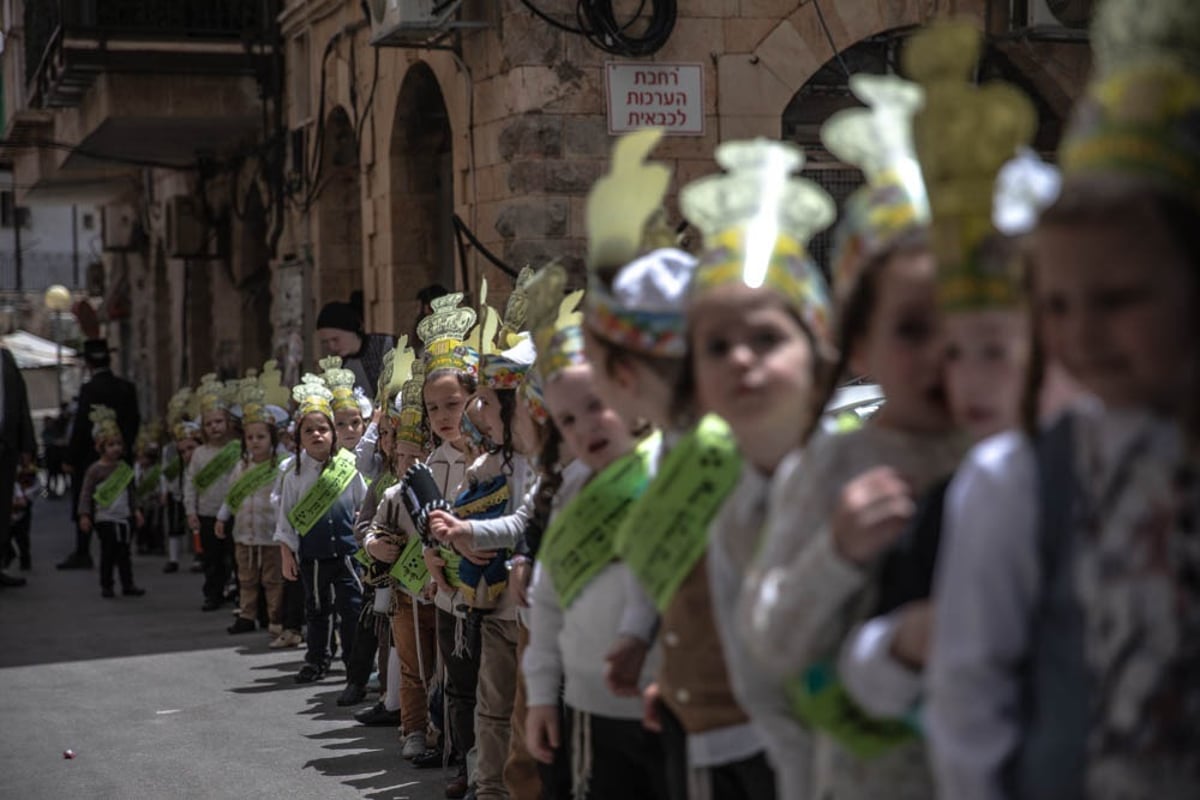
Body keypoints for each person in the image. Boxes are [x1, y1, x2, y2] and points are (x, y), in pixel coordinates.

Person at [928, 2, 1200, 796]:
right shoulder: (1017, 484)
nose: (1082, 333)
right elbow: (969, 704)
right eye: (1056, 304)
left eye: (1118, 300)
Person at [519, 270, 667, 800]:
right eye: (567, 421)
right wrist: (540, 695)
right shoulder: (572, 491)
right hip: (588, 708)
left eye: (597, 405)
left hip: (670, 704)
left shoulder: (668, 473)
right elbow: (547, 600)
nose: (586, 428)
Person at [275, 375, 367, 684]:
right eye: (309, 430)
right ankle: (316, 660)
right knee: (317, 610)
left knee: (352, 609)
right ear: (299, 437)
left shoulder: (348, 467)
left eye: (323, 429)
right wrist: (287, 554)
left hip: (346, 553)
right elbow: (285, 518)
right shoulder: (293, 476)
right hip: (313, 557)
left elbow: (364, 505)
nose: (317, 435)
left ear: (333, 433)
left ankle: (356, 665)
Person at [60, 338, 140, 570]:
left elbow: (82, 428)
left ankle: (83, 550)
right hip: (122, 456)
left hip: (91, 459)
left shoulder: (89, 389)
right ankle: (122, 547)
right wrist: (124, 449)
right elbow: (134, 421)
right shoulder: (126, 387)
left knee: (86, 498)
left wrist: (70, 458)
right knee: (122, 500)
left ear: (87, 363)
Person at [216, 380, 288, 636]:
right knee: (246, 578)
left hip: (270, 535)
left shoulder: (280, 466)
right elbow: (231, 495)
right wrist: (222, 518)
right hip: (244, 535)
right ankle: (246, 615)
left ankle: (274, 618)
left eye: (261, 437)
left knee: (272, 580)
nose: (255, 442)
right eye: (250, 438)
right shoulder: (242, 467)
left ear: (272, 437)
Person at [184, 375, 241, 612]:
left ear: (228, 423)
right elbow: (190, 483)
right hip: (207, 511)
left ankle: (239, 591)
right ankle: (213, 593)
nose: (214, 427)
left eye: (219, 421)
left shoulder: (237, 449)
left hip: (234, 512)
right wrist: (190, 510)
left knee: (236, 556)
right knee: (212, 558)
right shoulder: (199, 454)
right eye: (209, 424)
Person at [77, 406, 146, 599]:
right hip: (104, 517)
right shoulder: (95, 470)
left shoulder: (124, 468)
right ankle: (107, 585)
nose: (115, 448)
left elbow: (132, 492)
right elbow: (85, 493)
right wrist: (84, 515)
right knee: (108, 553)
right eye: (110, 444)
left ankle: (128, 584)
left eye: (118, 444)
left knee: (125, 553)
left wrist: (137, 511)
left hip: (124, 516)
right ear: (100, 447)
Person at [0, 345, 36, 588]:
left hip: (6, 447)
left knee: (3, 510)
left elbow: (21, 404)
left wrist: (27, 447)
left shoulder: (6, 360)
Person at [316, 300, 396, 397]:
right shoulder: (337, 366)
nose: (331, 347)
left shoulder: (388, 345)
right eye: (325, 342)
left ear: (352, 331)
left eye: (335, 339)